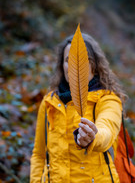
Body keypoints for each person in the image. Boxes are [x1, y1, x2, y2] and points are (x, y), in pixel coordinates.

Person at [30, 33, 126, 183]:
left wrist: (93, 136)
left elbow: (107, 130)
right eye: (69, 60)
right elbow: (39, 154)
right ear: (62, 66)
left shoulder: (107, 99)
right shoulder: (50, 102)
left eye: (82, 59)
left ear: (95, 65)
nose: (74, 65)